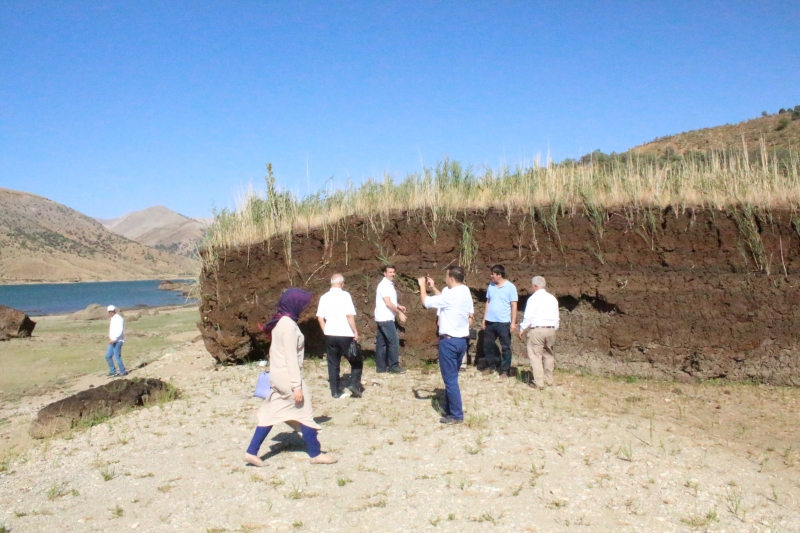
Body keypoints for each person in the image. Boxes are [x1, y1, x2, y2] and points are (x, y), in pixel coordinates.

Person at [245, 288, 337, 467]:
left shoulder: (281, 322)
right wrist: (296, 386)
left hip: (277, 377)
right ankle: (315, 453)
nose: (304, 307)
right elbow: (291, 359)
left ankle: (251, 452)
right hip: (288, 378)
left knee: (271, 414)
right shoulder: (288, 326)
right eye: (302, 304)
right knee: (305, 413)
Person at [418, 266, 473, 424]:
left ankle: (456, 415)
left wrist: (422, 286)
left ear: (451, 279)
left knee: (450, 381)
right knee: (453, 378)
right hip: (461, 341)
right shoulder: (465, 291)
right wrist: (433, 287)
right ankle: (452, 408)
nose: (445, 278)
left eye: (446, 276)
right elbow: (445, 300)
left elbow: (426, 302)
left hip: (448, 342)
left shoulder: (451, 296)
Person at [317, 273, 362, 399]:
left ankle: (335, 391)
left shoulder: (324, 297)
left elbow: (320, 318)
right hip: (345, 334)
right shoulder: (345, 295)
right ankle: (354, 384)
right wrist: (355, 331)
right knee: (356, 360)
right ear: (341, 283)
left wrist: (326, 331)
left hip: (331, 334)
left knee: (333, 363)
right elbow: (349, 316)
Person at [518, 276, 560, 390]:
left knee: (536, 356)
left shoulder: (533, 299)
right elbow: (557, 318)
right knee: (548, 355)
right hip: (551, 329)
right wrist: (553, 329)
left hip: (537, 330)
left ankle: (539, 383)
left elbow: (528, 316)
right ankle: (549, 380)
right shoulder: (552, 299)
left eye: (532, 286)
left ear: (535, 286)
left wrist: (522, 328)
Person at [481, 265, 518, 378]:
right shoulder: (491, 286)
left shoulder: (510, 287)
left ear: (499, 275)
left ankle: (505, 370)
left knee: (505, 347)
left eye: (493, 274)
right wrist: (484, 319)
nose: (491, 276)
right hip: (490, 322)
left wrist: (513, 322)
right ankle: (491, 366)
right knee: (488, 345)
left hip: (503, 323)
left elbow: (514, 305)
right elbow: (488, 302)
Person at [374, 264, 407, 374]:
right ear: (385, 273)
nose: (393, 274)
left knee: (382, 343)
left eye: (393, 272)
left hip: (382, 317)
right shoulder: (384, 285)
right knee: (394, 342)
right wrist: (399, 313)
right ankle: (393, 366)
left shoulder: (388, 284)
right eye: (390, 272)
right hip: (385, 317)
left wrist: (398, 305)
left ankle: (381, 367)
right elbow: (387, 303)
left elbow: (389, 299)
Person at [105, 305, 127, 377]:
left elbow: (119, 330)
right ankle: (113, 371)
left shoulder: (119, 318)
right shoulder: (113, 318)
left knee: (117, 357)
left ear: (115, 310)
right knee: (108, 356)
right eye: (109, 311)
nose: (111, 312)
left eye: (112, 311)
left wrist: (114, 338)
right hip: (112, 341)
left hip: (118, 341)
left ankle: (123, 371)